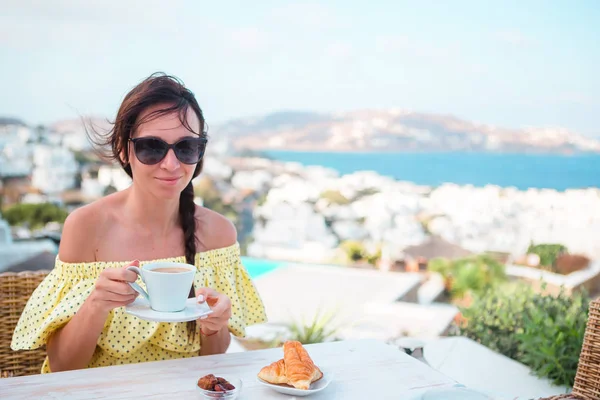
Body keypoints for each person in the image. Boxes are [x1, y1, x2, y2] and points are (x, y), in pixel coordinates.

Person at [11, 72, 267, 373]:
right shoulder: (85, 227)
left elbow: (212, 362)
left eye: (186, 147)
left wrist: (215, 325)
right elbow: (63, 366)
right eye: (152, 147)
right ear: (123, 149)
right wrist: (96, 303)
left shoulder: (219, 234)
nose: (171, 164)